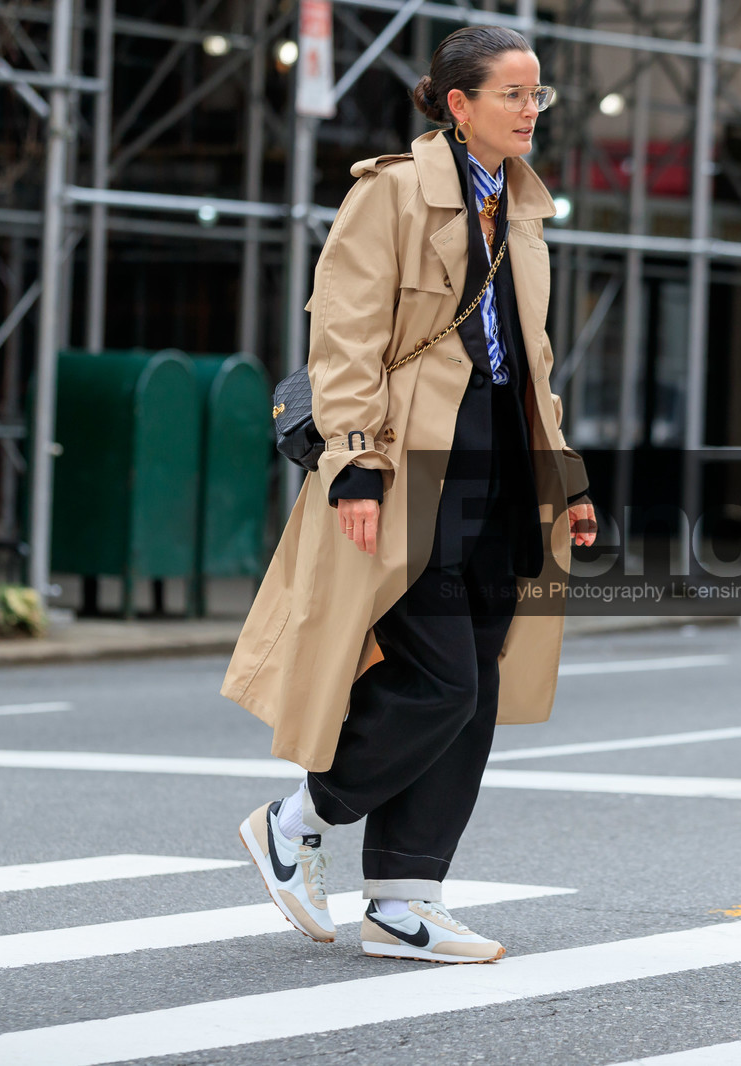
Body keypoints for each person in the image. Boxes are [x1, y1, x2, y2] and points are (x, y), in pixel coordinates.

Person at [222, 24, 596, 965]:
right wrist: (352, 464)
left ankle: (404, 901)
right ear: (459, 104)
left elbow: (534, 362)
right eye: (513, 94)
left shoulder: (523, 210)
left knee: (475, 694)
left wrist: (566, 478)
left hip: (503, 472)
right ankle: (295, 818)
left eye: (537, 94)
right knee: (441, 680)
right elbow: (342, 336)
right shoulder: (390, 194)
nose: (530, 110)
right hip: (408, 470)